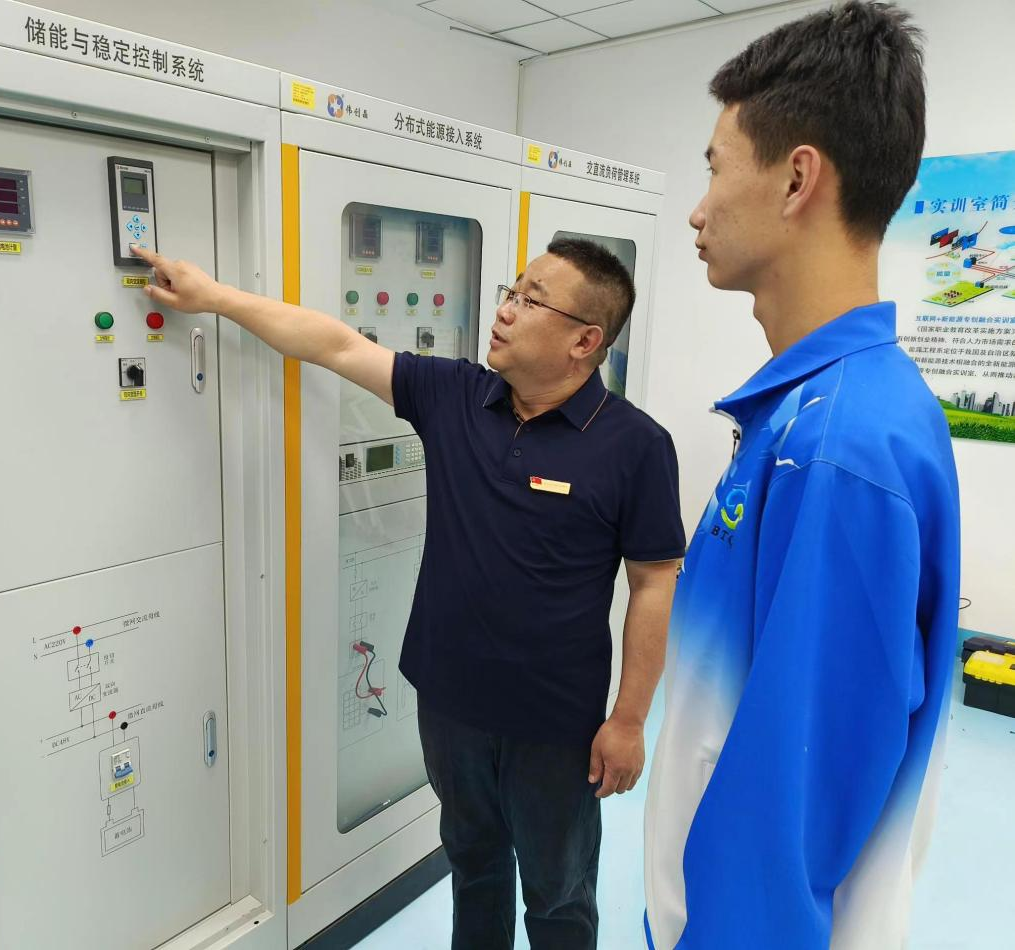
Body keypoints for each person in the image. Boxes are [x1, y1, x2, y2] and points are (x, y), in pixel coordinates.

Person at [131, 236, 685, 949]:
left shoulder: (635, 445)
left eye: (530, 301)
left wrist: (629, 721)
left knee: (558, 893)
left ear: (585, 340)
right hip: (449, 703)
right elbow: (334, 345)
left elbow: (652, 584)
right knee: (474, 867)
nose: (505, 311)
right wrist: (214, 297)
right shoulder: (456, 395)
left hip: (553, 722)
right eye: (511, 292)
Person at [643, 4, 961, 949]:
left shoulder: (834, 447)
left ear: (795, 179)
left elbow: (791, 807)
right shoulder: (822, 412)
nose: (697, 209)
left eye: (713, 167)